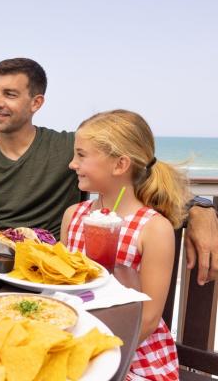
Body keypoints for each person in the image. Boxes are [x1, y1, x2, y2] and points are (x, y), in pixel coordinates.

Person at [0, 57, 218, 285]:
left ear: (36, 103)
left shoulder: (71, 149)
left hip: (55, 281)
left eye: (10, 94)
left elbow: (140, 166)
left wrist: (200, 208)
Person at [61, 109, 184, 380]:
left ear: (120, 165)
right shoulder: (73, 215)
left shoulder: (154, 229)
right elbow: (62, 285)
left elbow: (149, 319)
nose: (72, 163)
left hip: (131, 350)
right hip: (78, 334)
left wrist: (96, 355)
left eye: (81, 155)